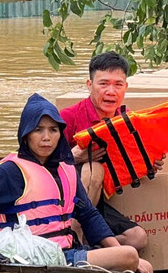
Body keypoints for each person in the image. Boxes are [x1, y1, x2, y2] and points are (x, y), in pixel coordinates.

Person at [0, 95, 152, 273]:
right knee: (130, 255)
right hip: (25, 256)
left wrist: (117, 253)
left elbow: (89, 216)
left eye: (53, 130)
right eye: (38, 130)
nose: (46, 138)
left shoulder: (66, 170)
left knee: (128, 255)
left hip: (65, 255)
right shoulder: (11, 171)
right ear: (26, 135)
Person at [58, 52, 150, 251]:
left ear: (126, 88)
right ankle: (72, 237)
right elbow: (33, 163)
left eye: (118, 84)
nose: (111, 91)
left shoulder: (127, 122)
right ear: (89, 85)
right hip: (65, 204)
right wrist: (70, 157)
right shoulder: (68, 117)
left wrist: (150, 163)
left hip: (99, 202)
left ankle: (87, 246)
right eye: (103, 84)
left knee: (138, 238)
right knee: (94, 168)